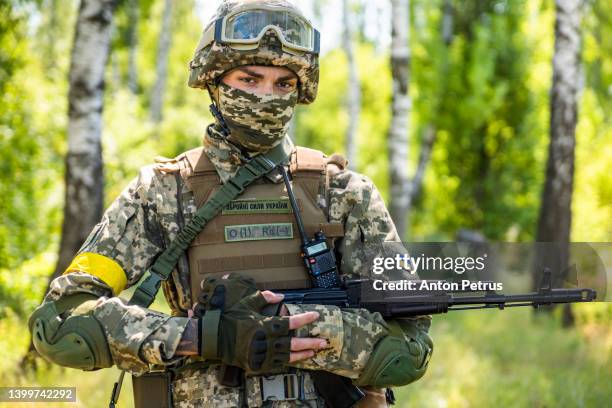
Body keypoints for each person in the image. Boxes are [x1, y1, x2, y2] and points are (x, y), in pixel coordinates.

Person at [28, 1, 433, 407]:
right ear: (215, 82)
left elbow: (410, 347)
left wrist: (297, 327)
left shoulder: (345, 194)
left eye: (283, 84)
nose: (266, 97)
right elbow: (61, 324)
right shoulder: (161, 193)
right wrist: (207, 338)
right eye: (250, 78)